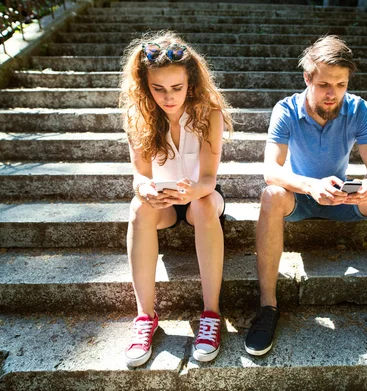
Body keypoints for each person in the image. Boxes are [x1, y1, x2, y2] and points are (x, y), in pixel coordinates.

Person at [244, 35, 367, 358]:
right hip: (301, 194)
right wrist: (310, 186)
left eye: (340, 84)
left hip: (342, 196)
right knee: (270, 194)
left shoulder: (359, 109)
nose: (332, 93)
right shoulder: (286, 110)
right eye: (323, 84)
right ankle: (267, 307)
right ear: (307, 78)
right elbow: (271, 170)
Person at [119, 31, 232, 367]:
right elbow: (139, 175)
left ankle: (211, 314)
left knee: (205, 202)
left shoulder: (208, 112)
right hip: (162, 203)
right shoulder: (137, 115)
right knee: (137, 206)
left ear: (191, 82)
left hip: (202, 198)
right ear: (144, 85)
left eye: (177, 88)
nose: (168, 97)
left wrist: (193, 190)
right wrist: (146, 189)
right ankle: (145, 318)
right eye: (158, 89)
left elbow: (209, 179)